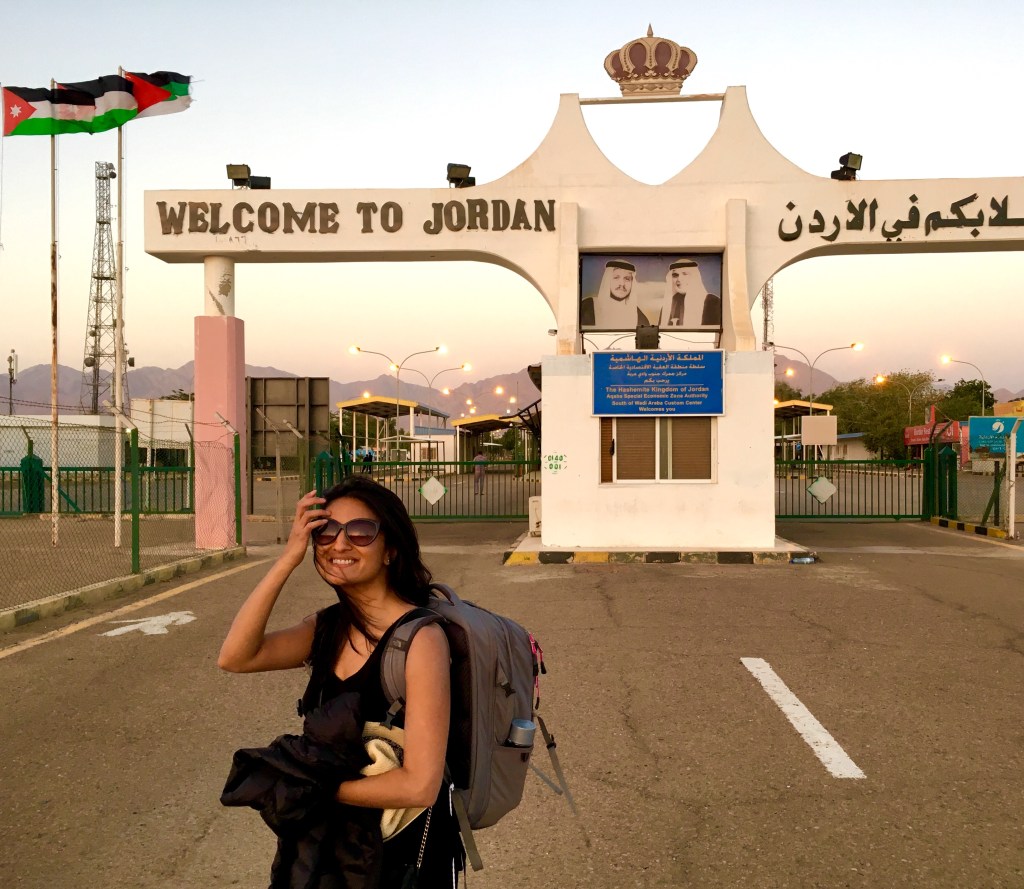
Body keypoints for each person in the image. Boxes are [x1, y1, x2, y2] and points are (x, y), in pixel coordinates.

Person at [218, 476, 464, 887]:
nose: (340, 544)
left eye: (361, 531)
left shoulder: (421, 640)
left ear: (391, 550)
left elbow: (420, 786)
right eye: (326, 532)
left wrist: (311, 788)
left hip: (401, 857)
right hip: (326, 852)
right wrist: (288, 558)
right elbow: (236, 657)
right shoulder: (328, 627)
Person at [579, 259, 658, 329]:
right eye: (616, 277)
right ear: (608, 280)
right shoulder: (589, 306)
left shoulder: (640, 316)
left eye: (627, 279)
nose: (622, 284)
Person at [663, 259, 722, 328]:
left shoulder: (713, 302)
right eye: (675, 275)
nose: (679, 279)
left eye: (685, 274)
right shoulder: (670, 303)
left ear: (694, 277)